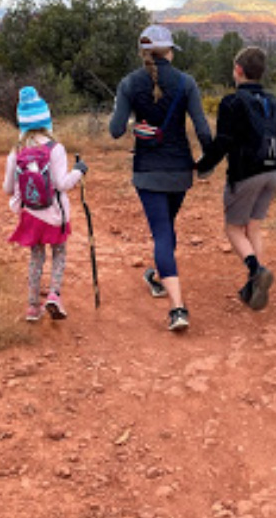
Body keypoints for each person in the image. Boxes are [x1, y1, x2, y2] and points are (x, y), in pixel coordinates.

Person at [109, 24, 212, 332]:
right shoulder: (186, 82)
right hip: (180, 171)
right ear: (169, 51)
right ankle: (156, 277)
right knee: (166, 229)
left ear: (143, 52)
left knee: (162, 233)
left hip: (147, 172)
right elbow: (202, 129)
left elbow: (115, 131)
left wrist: (134, 123)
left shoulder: (129, 83)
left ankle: (177, 308)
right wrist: (207, 163)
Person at [195, 46, 276, 311]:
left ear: (238, 70)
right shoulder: (273, 101)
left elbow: (223, 142)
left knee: (233, 229)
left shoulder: (232, 102)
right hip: (273, 173)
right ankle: (253, 289)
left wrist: (202, 166)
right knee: (254, 228)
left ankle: (256, 270)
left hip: (245, 174)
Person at [3, 86, 89, 322]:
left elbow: (8, 188)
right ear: (46, 119)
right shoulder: (55, 148)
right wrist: (79, 171)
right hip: (55, 215)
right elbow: (62, 184)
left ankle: (32, 307)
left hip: (31, 215)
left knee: (36, 257)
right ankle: (53, 295)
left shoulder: (17, 151)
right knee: (59, 252)